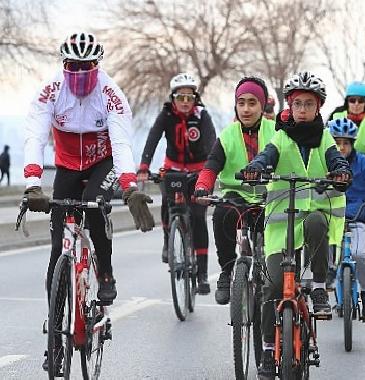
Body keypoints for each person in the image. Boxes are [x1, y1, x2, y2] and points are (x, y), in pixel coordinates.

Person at [22, 32, 155, 373]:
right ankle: (54, 339)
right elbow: (35, 135)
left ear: (98, 66)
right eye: (73, 67)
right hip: (66, 165)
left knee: (93, 206)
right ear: (63, 67)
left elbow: (122, 143)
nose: (80, 74)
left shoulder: (110, 94)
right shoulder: (50, 91)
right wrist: (33, 184)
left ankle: (106, 274)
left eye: (87, 67)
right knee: (57, 251)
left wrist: (128, 186)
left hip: (102, 163)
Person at [242, 72, 351, 380]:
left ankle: (318, 288)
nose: (303, 109)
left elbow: (335, 160)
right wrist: (256, 167)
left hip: (313, 216)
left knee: (318, 221)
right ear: (290, 106)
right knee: (273, 287)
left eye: (309, 104)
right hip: (281, 222)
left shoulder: (325, 137)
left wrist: (341, 171)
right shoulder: (282, 135)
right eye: (298, 104)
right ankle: (266, 351)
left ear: (319, 108)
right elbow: (267, 156)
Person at [193, 76, 276, 305]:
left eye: (252, 103)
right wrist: (202, 187)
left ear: (262, 105)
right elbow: (212, 165)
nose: (246, 109)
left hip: (269, 197)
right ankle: (227, 271)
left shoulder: (277, 132)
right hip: (236, 196)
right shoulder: (227, 135)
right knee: (221, 214)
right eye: (241, 103)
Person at [137, 72, 216, 293]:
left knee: (198, 217)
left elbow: (212, 144)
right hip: (172, 168)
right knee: (167, 203)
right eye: (180, 97)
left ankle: (202, 275)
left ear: (195, 99)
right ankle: (167, 242)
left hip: (198, 170)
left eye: (189, 98)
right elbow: (153, 138)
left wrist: (211, 170)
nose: (184, 102)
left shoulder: (203, 116)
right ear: (173, 98)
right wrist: (144, 167)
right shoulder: (166, 115)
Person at [329, 118, 365, 322]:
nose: (341, 147)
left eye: (346, 143)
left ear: (352, 144)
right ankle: (326, 280)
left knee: (359, 254)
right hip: (332, 215)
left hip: (358, 216)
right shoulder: (323, 161)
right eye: (337, 142)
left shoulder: (363, 161)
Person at [329, 81, 365, 177]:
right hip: (338, 164)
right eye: (352, 100)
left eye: (361, 101)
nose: (356, 104)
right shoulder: (336, 116)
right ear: (347, 102)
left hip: (363, 167)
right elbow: (325, 141)